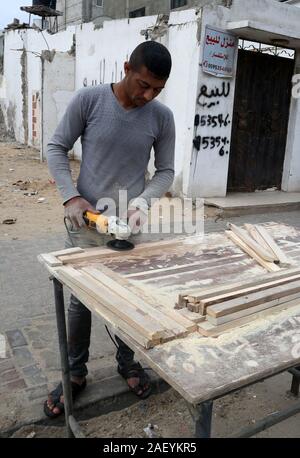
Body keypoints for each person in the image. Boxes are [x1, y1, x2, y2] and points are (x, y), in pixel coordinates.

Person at [44, 41, 175, 418]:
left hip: (128, 225)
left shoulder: (160, 117)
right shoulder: (89, 101)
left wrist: (142, 202)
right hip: (85, 220)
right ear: (125, 68)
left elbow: (165, 171)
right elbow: (56, 148)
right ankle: (75, 373)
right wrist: (70, 198)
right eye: (143, 84)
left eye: (157, 90)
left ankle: (128, 362)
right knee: (81, 300)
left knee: (130, 298)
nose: (148, 95)